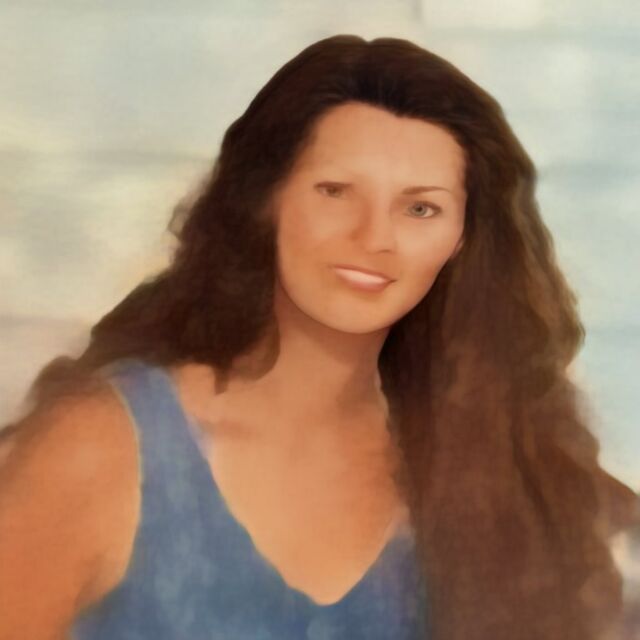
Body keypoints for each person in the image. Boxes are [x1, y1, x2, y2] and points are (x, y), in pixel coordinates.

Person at [0, 34, 638, 640]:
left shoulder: (493, 468)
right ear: (266, 200)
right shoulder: (101, 447)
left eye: (420, 208)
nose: (374, 237)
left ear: (462, 239)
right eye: (335, 192)